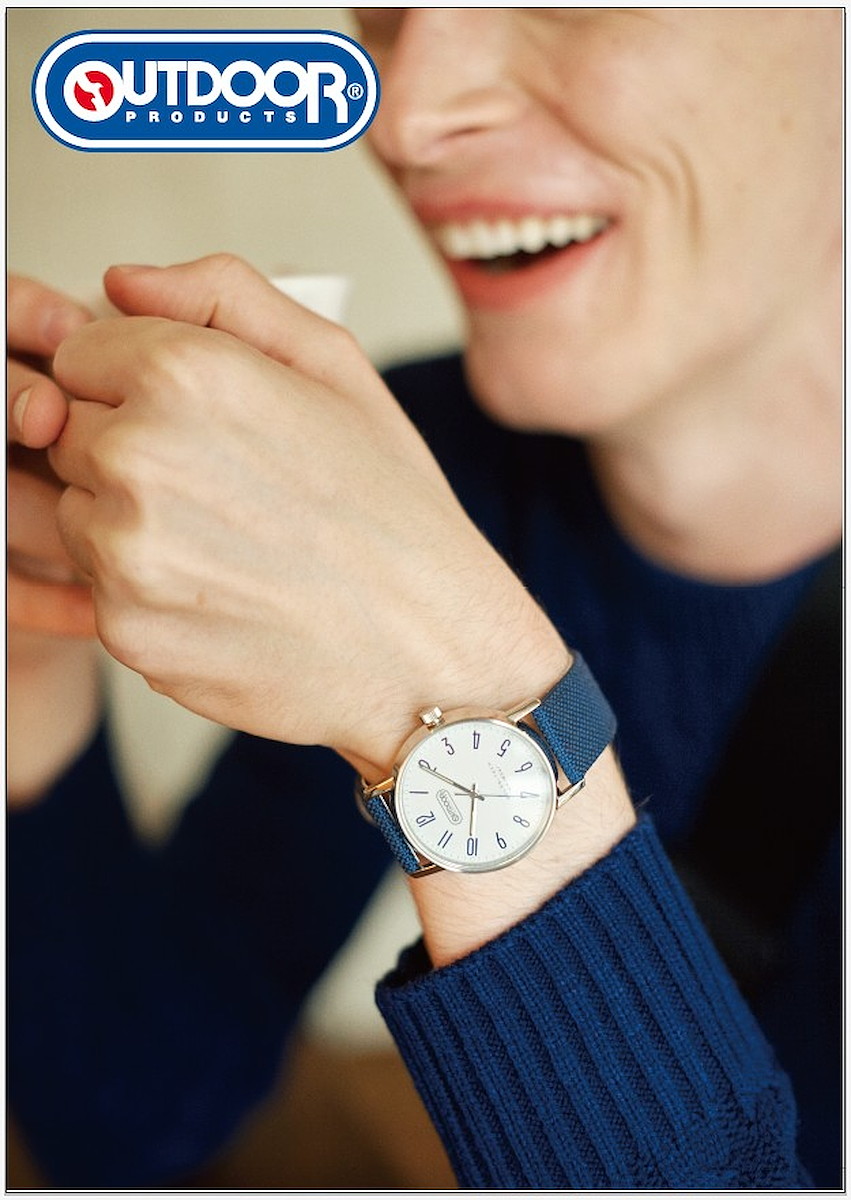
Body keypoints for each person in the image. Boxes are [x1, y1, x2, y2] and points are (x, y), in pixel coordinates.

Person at [7, 7, 842, 1189]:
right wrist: (29, 639)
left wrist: (457, 697)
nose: (396, 114)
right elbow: (132, 1112)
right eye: (385, 9)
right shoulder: (430, 465)